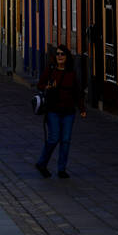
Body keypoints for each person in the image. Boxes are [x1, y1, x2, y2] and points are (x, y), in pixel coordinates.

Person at [35, 45, 86, 179]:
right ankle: (42, 163)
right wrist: (47, 86)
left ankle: (61, 169)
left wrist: (82, 109)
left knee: (65, 140)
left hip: (69, 111)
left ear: (67, 56)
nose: (59, 56)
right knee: (53, 138)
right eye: (57, 54)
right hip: (53, 110)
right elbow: (40, 85)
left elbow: (77, 92)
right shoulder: (50, 71)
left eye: (62, 54)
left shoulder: (71, 73)